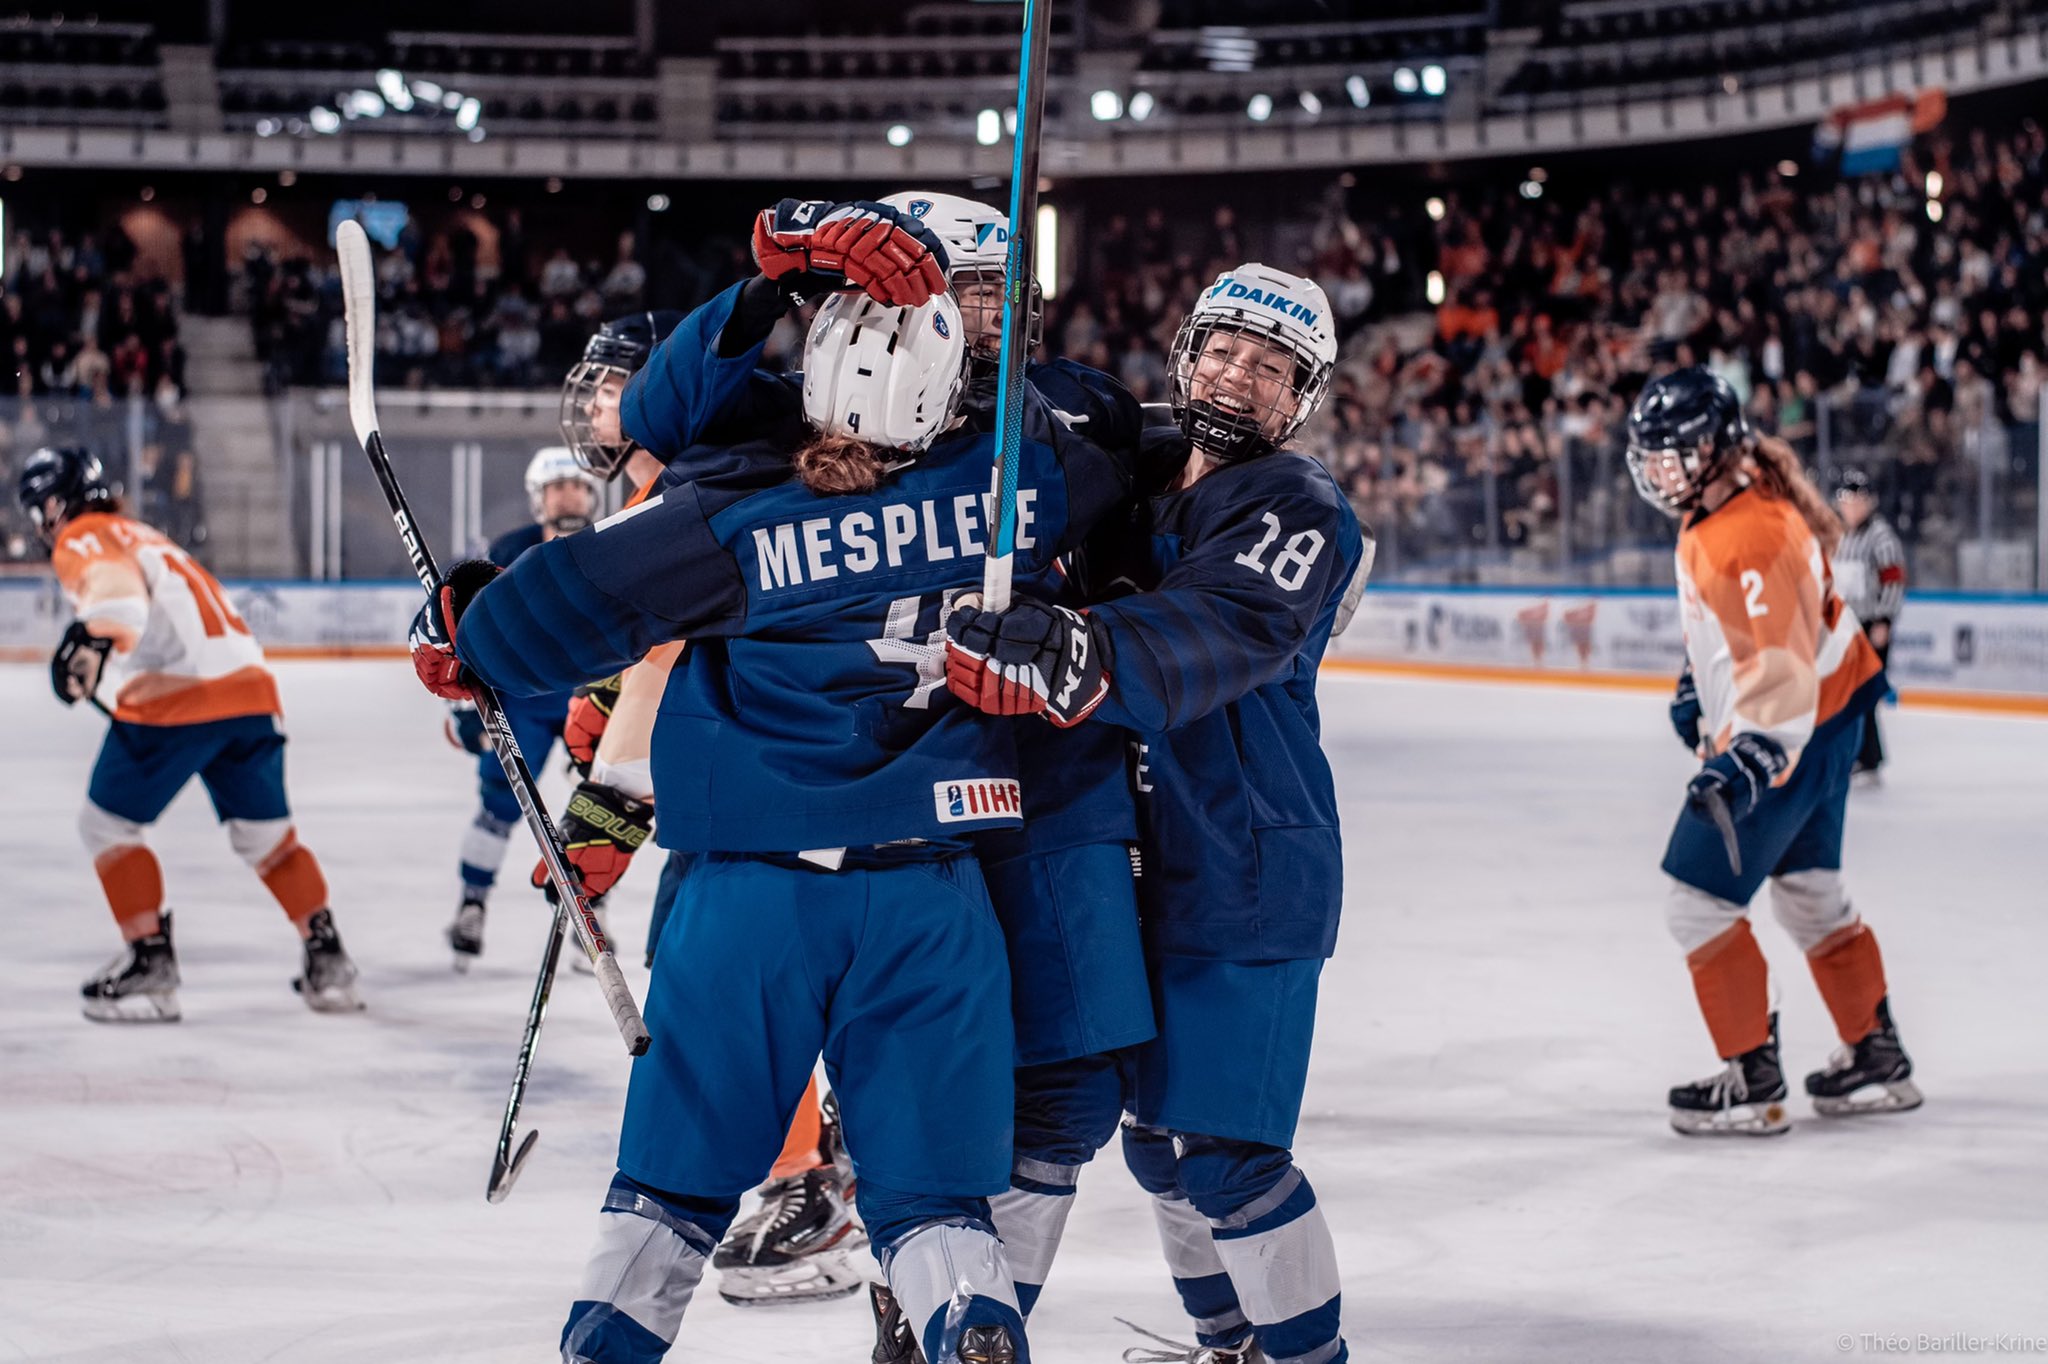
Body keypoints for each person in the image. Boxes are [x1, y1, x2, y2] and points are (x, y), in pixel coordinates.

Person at [409, 199, 1135, 1364]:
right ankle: (971, 1325)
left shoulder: (732, 515)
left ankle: (611, 1342)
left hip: (753, 896)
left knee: (667, 1189)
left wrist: (461, 629)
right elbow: (1099, 434)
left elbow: (518, 631)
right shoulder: (1041, 484)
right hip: (936, 896)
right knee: (941, 1207)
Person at [945, 264, 1367, 1364]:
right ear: (1185, 353)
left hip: (1244, 861)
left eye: (1268, 368)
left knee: (1228, 1155)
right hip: (1118, 851)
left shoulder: (1298, 505)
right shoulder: (1129, 478)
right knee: (1133, 1139)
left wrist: (1079, 646)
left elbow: (1219, 627)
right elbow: (1051, 415)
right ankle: (1225, 1340)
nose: (1238, 377)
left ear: (1299, 396)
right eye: (1222, 350)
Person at [1627, 368, 1921, 1138]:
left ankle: (1752, 1080)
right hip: (1827, 721)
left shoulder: (1750, 530)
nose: (1659, 470)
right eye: (1651, 455)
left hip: (1796, 731)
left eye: (1674, 454)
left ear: (1714, 449)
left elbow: (1781, 666)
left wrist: (1754, 752)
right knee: (1810, 892)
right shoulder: (1728, 501)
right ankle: (1875, 1056)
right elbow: (1750, 635)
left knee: (1697, 902)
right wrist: (1698, 678)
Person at [19, 445, 361, 1021]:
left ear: (54, 504)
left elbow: (118, 602)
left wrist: (93, 639)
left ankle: (150, 965)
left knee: (107, 824)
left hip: (177, 694)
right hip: (252, 691)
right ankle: (329, 962)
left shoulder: (85, 534)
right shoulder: (144, 534)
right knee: (269, 840)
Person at [442, 446, 604, 969]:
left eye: (576, 485)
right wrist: (470, 704)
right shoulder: (506, 553)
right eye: (557, 488)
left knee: (602, 809)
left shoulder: (615, 543)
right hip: (525, 697)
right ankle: (473, 902)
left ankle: (588, 916)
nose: (568, 495)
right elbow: (472, 632)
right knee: (499, 801)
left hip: (590, 692)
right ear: (539, 499)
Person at [1830, 468, 1906, 780]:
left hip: (1871, 624)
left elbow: (1893, 581)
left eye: (1859, 501)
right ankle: (1863, 753)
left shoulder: (1881, 538)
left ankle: (1867, 754)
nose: (1852, 507)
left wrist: (1884, 620)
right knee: (1847, 694)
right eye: (1847, 500)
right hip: (1846, 626)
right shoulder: (1839, 535)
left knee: (1864, 693)